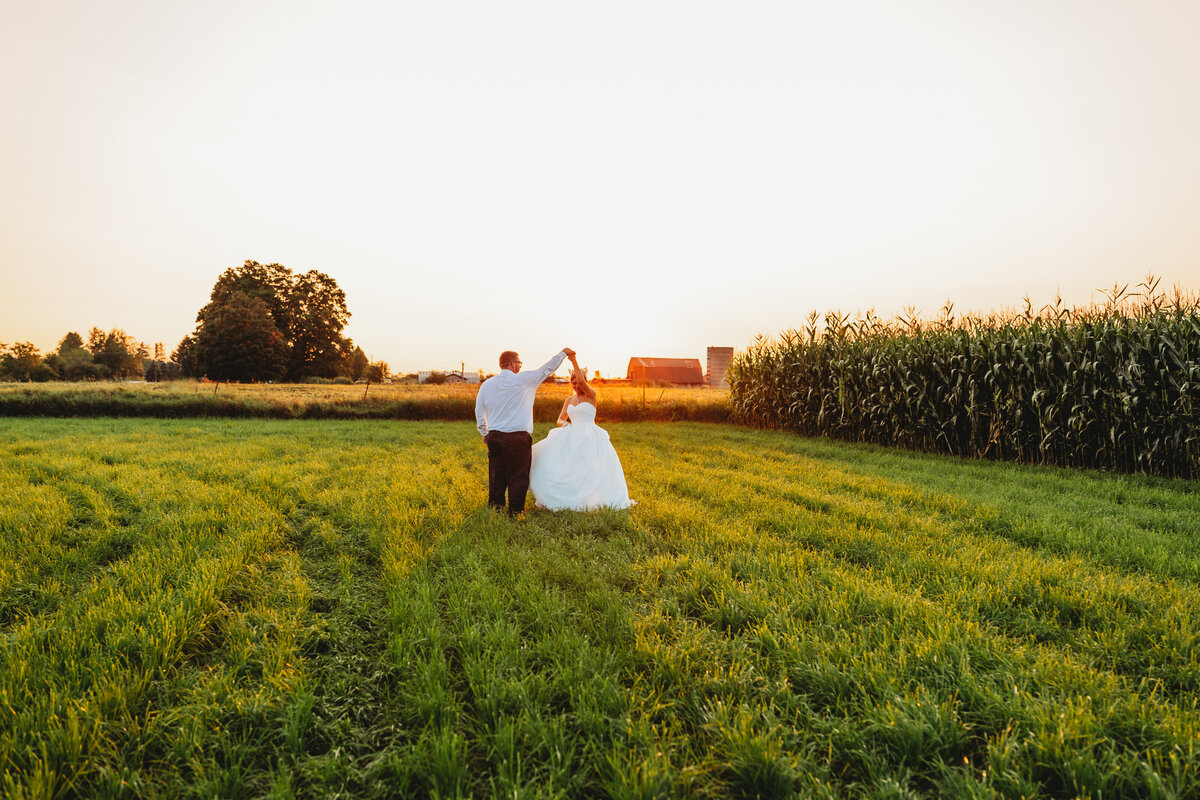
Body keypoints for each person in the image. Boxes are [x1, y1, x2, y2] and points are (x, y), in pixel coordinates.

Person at [529, 352, 635, 511]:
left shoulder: (591, 395)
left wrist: (574, 361)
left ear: (584, 381)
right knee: (564, 465)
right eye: (572, 382)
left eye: (578, 382)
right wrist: (564, 425)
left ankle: (590, 498)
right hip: (571, 434)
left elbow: (582, 381)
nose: (575, 384)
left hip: (589, 436)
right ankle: (565, 496)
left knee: (589, 468)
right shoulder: (569, 400)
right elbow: (560, 419)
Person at [475, 347, 574, 515]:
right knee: (518, 476)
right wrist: (563, 353)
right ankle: (515, 512)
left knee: (496, 474)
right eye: (519, 363)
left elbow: (479, 410)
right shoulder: (524, 380)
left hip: (495, 436)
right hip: (517, 439)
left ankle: (496, 508)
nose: (520, 366)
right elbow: (547, 369)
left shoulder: (487, 384)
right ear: (513, 364)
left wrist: (485, 432)